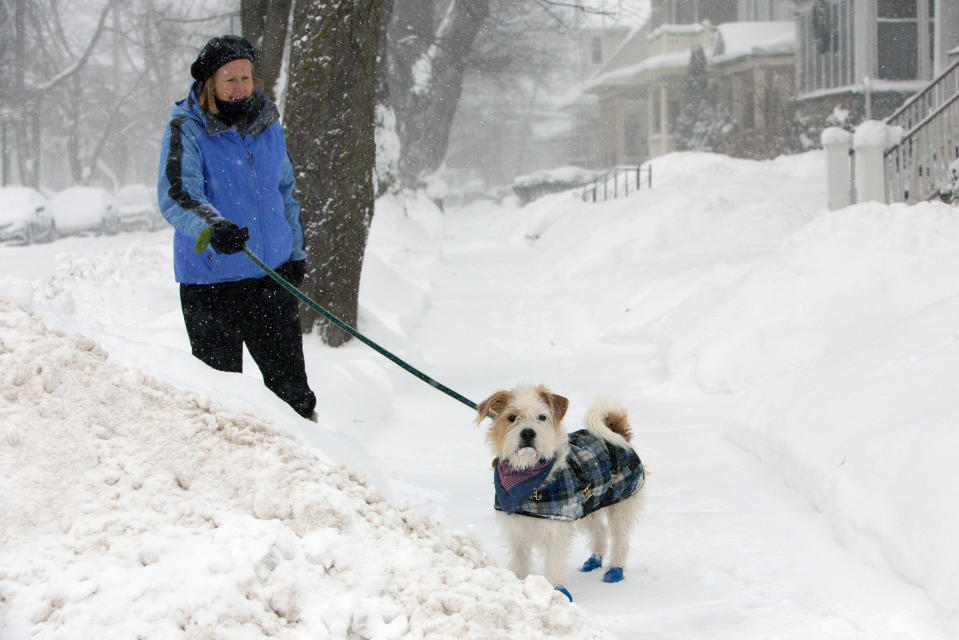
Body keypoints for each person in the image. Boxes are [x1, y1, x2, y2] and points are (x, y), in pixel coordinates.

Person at [157, 35, 317, 420]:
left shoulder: (267, 123)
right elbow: (177, 194)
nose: (240, 87)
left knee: (293, 393)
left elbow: (285, 192)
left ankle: (308, 471)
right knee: (223, 402)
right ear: (210, 81)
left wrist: (295, 252)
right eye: (230, 79)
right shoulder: (187, 128)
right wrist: (214, 228)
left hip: (269, 277)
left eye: (246, 77)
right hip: (212, 284)